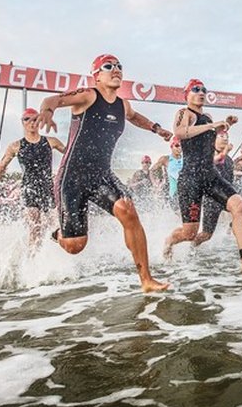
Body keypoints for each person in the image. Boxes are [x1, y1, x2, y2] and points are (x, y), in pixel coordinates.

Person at [36, 54, 172, 292]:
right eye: (108, 66)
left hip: (102, 174)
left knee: (128, 211)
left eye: (119, 66)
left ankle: (147, 280)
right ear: (96, 75)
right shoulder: (88, 95)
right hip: (72, 177)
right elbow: (53, 99)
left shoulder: (123, 105)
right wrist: (47, 111)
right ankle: (58, 234)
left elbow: (135, 117)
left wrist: (156, 128)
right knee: (75, 245)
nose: (116, 69)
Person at [162, 78, 242, 273]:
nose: (200, 92)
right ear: (187, 95)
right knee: (190, 233)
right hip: (190, 178)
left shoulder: (206, 118)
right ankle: (169, 241)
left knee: (238, 205)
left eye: (203, 90)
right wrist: (211, 126)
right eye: (195, 89)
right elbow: (181, 132)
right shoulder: (185, 113)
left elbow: (209, 143)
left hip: (210, 174)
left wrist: (226, 126)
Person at [0, 108, 66, 252]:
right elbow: (0, 169)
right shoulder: (15, 146)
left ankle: (53, 252)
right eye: (27, 119)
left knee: (55, 223)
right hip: (29, 188)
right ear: (22, 122)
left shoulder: (51, 141)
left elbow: (70, 155)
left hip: (48, 187)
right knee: (35, 224)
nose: (31, 122)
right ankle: (32, 258)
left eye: (35, 119)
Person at [193, 129, 235, 245]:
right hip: (212, 200)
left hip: (226, 198)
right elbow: (214, 162)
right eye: (222, 136)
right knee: (206, 235)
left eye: (227, 136)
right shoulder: (208, 156)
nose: (226, 139)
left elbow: (230, 181)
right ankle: (190, 248)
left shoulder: (230, 160)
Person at [151, 136, 184, 212]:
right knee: (180, 216)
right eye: (177, 145)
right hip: (173, 193)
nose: (180, 148)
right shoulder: (166, 159)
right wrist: (155, 183)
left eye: (181, 145)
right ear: (171, 146)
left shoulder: (185, 158)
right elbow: (152, 170)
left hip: (185, 191)